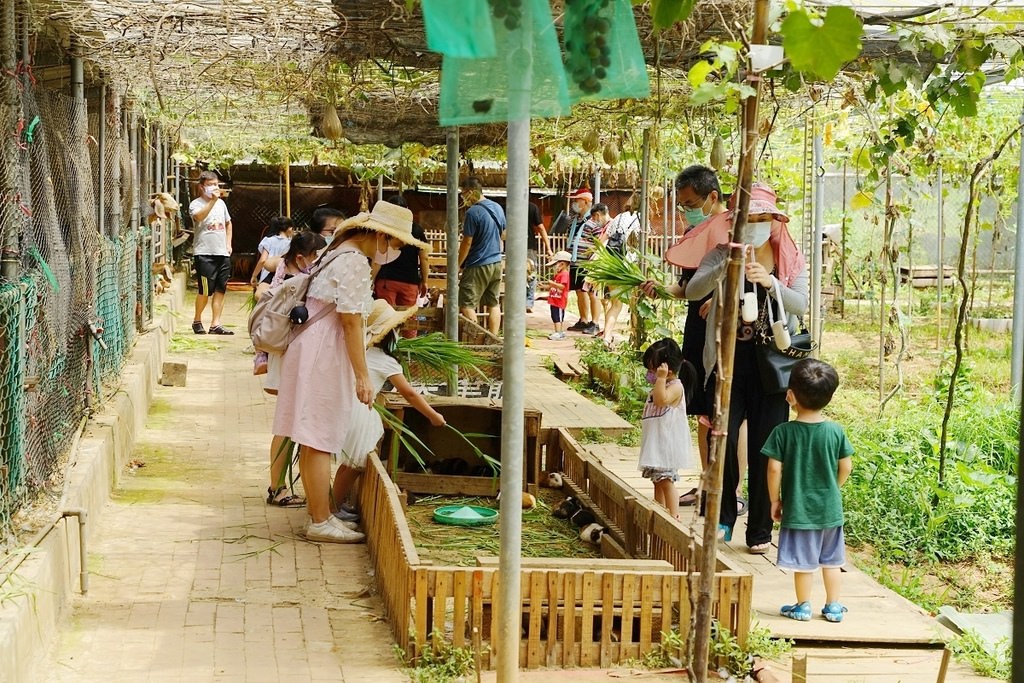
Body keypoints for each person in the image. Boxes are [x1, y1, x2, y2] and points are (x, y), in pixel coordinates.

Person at [272, 200, 430, 543]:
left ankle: (323, 514)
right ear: (380, 236)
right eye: (397, 244)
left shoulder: (337, 251)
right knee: (318, 435)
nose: (397, 251)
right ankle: (319, 520)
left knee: (316, 435)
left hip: (313, 345)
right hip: (325, 351)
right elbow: (350, 321)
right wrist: (361, 376)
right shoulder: (355, 261)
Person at [682, 183, 807, 553]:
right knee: (723, 435)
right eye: (747, 218)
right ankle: (723, 515)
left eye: (761, 217)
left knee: (765, 447)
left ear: (774, 220)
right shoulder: (720, 252)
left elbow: (801, 304)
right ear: (733, 221)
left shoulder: (787, 258)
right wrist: (726, 265)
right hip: (727, 360)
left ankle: (759, 531)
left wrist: (769, 283)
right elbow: (692, 291)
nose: (754, 223)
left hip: (771, 365)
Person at [640, 166, 748, 516]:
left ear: (713, 196)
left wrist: (719, 303)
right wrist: (661, 290)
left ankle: (731, 489)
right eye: (683, 204)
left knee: (729, 411)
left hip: (729, 329)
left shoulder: (736, 231)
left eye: (691, 202)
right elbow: (688, 289)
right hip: (698, 329)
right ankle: (707, 481)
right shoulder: (694, 233)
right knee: (702, 406)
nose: (687, 209)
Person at [330, 299, 447, 520]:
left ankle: (334, 503)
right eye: (397, 330)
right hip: (360, 413)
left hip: (346, 408)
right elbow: (409, 393)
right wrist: (433, 416)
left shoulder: (360, 352)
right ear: (389, 334)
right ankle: (333, 508)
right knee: (355, 464)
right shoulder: (386, 361)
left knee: (348, 464)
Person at [764, 358, 854, 623]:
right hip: (830, 508)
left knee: (804, 563)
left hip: (799, 508)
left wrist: (774, 500)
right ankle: (833, 606)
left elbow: (773, 470)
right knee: (832, 560)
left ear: (790, 396)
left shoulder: (783, 432)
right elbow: (846, 466)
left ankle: (803, 606)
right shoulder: (835, 431)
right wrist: (833, 488)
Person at [638, 338, 696, 520]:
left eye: (652, 369)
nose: (650, 373)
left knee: (666, 481)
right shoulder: (660, 385)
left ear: (667, 369)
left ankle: (673, 516)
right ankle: (660, 512)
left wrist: (661, 379)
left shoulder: (676, 387)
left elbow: (661, 400)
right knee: (657, 481)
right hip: (655, 446)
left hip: (666, 446)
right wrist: (660, 380)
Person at [458, 176, 505, 336]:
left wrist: (457, 264)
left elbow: (467, 242)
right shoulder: (497, 208)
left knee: (466, 304)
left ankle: (477, 338)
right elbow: (503, 234)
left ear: (471, 192)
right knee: (493, 303)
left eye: (463, 194)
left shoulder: (473, 212)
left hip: (477, 263)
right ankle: (492, 339)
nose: (463, 198)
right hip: (496, 262)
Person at [189, 170, 234, 335]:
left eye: (216, 184)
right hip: (204, 253)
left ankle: (216, 324)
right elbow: (199, 217)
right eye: (210, 185)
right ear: (202, 187)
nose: (214, 187)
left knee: (221, 289)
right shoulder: (196, 204)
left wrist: (228, 243)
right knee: (205, 290)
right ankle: (197, 320)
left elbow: (229, 223)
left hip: (222, 253)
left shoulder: (222, 204)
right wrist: (212, 201)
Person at [597, 195, 641, 346]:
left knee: (615, 304)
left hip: (613, 264)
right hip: (630, 266)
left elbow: (602, 240)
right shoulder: (642, 219)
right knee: (636, 303)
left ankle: (607, 337)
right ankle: (636, 339)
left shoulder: (618, 218)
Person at [374, 194, 429, 311]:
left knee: (386, 318)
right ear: (407, 210)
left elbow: (377, 259)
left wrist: (371, 280)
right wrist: (424, 281)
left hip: (386, 280)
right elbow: (424, 258)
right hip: (409, 282)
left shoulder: (383, 229)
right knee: (408, 320)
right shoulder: (416, 230)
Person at [564, 188, 598, 334]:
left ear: (585, 202)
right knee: (579, 290)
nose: (574, 203)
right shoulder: (574, 220)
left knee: (591, 292)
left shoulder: (594, 220)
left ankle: (595, 322)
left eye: (577, 200)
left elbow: (599, 242)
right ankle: (583, 319)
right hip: (575, 261)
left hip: (588, 262)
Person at [249, 216, 295, 290]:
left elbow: (263, 260)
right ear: (289, 229)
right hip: (284, 278)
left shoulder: (268, 241)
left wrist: (254, 275)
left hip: (267, 278)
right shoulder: (292, 244)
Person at [545, 250, 571, 340]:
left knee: (558, 317)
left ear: (562, 264)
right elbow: (554, 285)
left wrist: (552, 284)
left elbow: (562, 286)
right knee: (554, 316)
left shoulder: (564, 274)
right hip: (554, 300)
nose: (554, 267)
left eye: (556, 264)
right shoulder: (559, 274)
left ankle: (559, 332)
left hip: (559, 300)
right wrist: (545, 286)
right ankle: (558, 332)